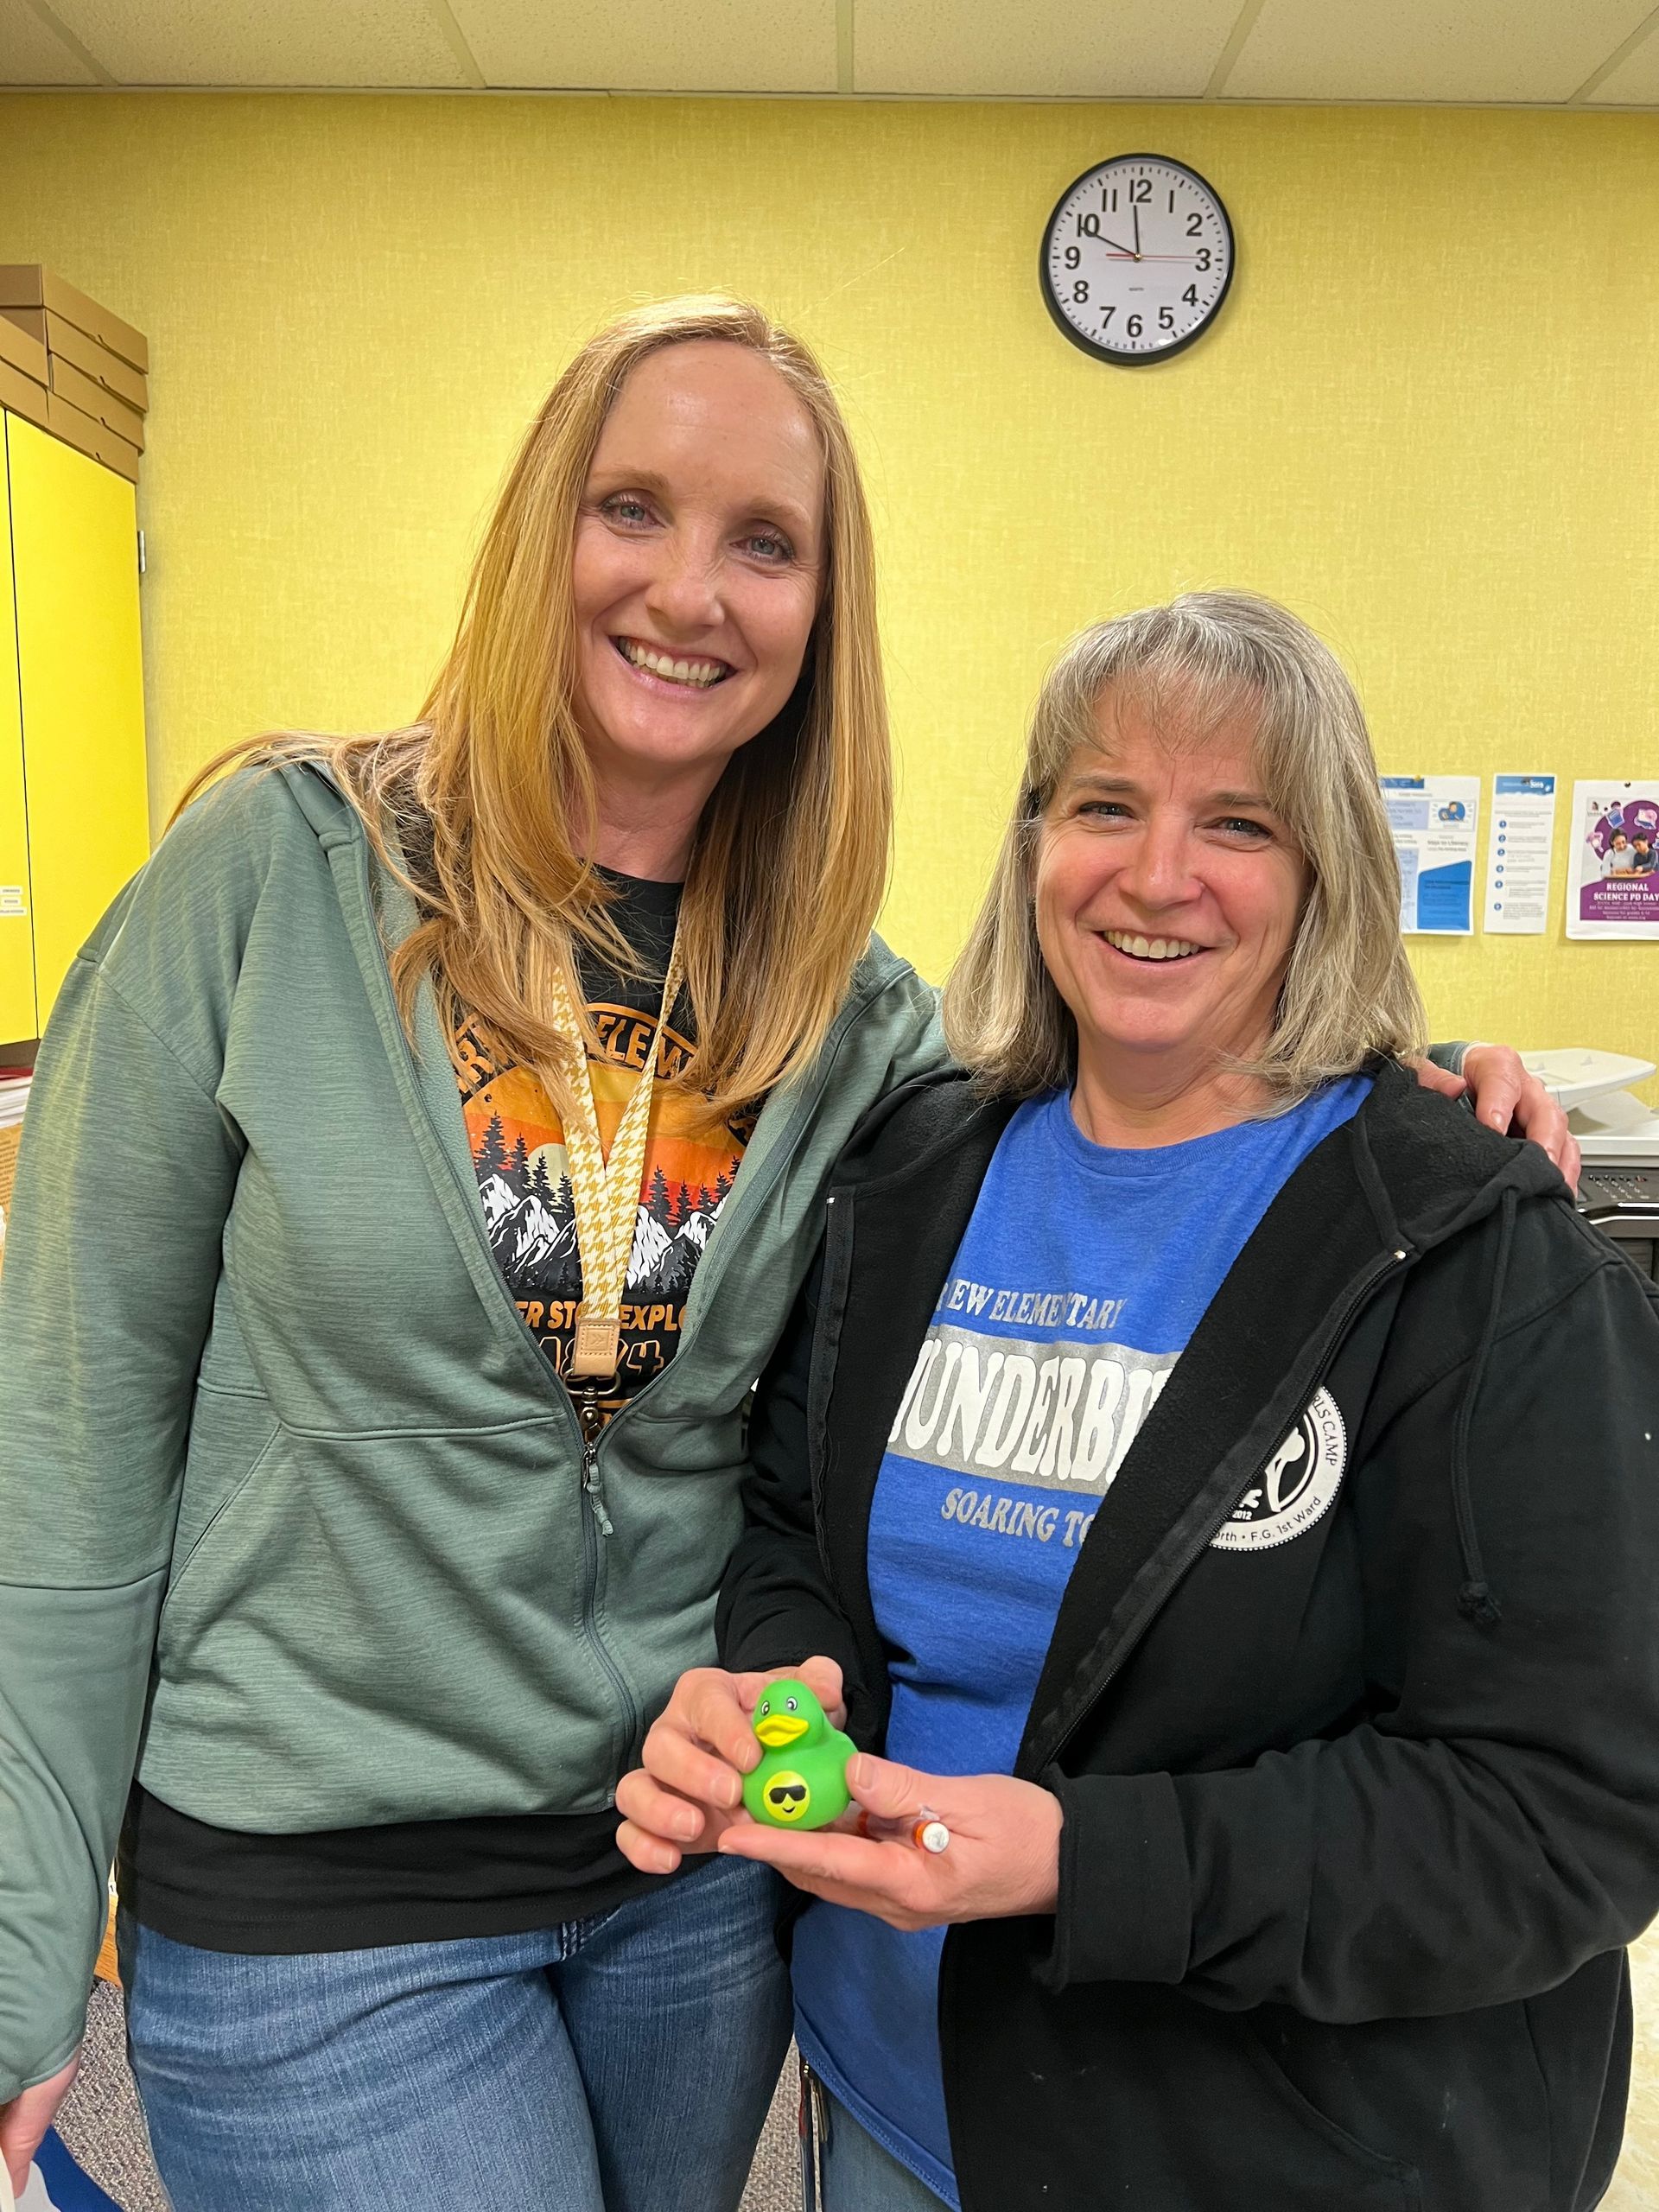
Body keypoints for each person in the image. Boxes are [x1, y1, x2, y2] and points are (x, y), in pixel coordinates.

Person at [0, 293, 1567, 2207]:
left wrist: (1402, 1082)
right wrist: (16, 1941)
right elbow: (64, 1446)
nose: (690, 588)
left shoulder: (859, 1022)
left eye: (766, 542)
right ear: (535, 538)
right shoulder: (272, 878)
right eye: (631, 507)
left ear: (824, 611)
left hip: (694, 1880)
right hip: (328, 1891)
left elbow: (1148, 1055)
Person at [620, 593, 1659, 2212]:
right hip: (888, 2104)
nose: (1157, 875)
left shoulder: (1467, 1243)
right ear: (1035, 842)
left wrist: (1078, 1864)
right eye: (1104, 804)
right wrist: (782, 1683)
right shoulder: (909, 1170)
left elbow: (1557, 1816)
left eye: (1236, 823)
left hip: (1269, 2154)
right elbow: (788, 1529)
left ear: (1324, 876)